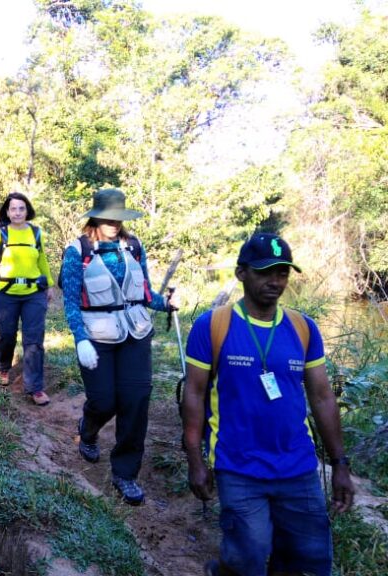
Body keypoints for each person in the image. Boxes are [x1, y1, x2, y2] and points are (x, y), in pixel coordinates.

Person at [182, 233, 354, 576]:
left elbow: (321, 396)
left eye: (283, 273)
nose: (275, 281)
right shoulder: (213, 326)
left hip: (299, 468)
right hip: (238, 466)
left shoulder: (303, 328)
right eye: (264, 272)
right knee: (248, 556)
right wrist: (194, 460)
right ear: (241, 273)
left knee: (309, 560)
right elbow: (195, 394)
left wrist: (340, 464)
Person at [60, 187, 171, 506]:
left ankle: (125, 472)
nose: (112, 222)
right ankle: (89, 428)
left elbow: (146, 293)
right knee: (104, 400)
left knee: (136, 401)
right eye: (107, 217)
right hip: (96, 336)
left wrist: (168, 304)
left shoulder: (134, 246)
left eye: (117, 217)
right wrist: (80, 339)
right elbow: (70, 302)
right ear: (95, 216)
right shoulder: (77, 251)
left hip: (136, 332)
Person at [0, 192, 53, 406]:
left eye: (22, 208)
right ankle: (3, 368)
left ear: (27, 210)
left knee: (34, 340)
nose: (18, 212)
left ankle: (35, 388)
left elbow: (43, 261)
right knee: (7, 334)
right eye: (13, 209)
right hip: (6, 294)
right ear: (7, 212)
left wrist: (48, 284)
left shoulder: (36, 233)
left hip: (34, 294)